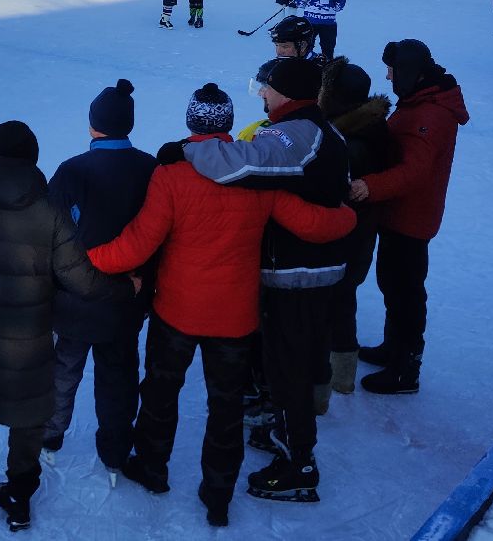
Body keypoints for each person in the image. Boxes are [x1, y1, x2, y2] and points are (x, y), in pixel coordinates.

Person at [88, 84, 354, 528]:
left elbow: (138, 244)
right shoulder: (254, 177)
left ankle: (152, 467)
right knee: (226, 406)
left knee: (159, 392)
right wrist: (347, 215)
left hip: (177, 310)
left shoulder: (171, 173)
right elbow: (311, 223)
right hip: (234, 316)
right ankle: (218, 496)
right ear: (228, 124)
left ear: (191, 123)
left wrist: (89, 258)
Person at [0, 121, 136, 531]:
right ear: (33, 159)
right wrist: (125, 288)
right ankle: (19, 498)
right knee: (27, 419)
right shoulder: (50, 213)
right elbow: (80, 280)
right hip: (30, 337)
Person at [170, 58, 349, 503]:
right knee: (285, 364)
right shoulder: (320, 128)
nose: (262, 97)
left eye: (265, 89)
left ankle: (299, 466)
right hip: (308, 268)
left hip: (298, 274)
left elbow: (238, 165)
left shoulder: (294, 132)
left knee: (289, 370)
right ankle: (287, 438)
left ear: (285, 92)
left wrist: (188, 149)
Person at [41, 79, 157, 481]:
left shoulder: (72, 170)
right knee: (119, 373)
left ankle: (50, 435)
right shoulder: (150, 168)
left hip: (75, 298)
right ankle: (115, 451)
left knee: (64, 366)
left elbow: (49, 234)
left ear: (92, 127)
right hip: (126, 297)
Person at [350, 40, 468, 395]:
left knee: (406, 291)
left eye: (391, 70)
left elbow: (413, 172)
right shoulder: (418, 99)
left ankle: (406, 369)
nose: (387, 76)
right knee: (392, 282)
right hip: (397, 211)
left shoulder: (431, 114)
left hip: (411, 216)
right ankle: (392, 348)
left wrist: (368, 186)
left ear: (409, 71)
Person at [318, 57, 392, 396]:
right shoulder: (367, 128)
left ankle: (326, 382)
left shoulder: (347, 141)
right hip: (360, 238)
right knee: (343, 300)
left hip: (342, 238)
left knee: (331, 304)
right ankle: (342, 375)